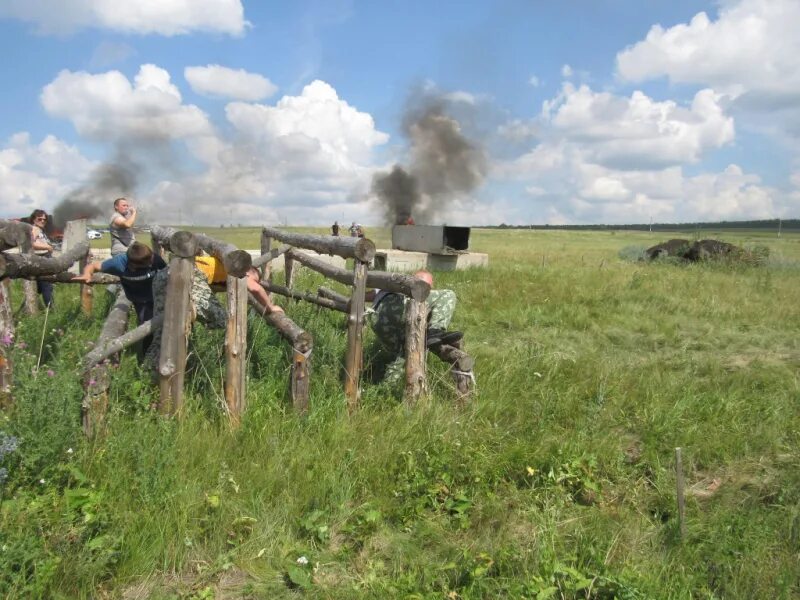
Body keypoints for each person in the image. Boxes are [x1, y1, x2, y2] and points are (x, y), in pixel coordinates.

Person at [143, 254, 283, 369]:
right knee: (223, 320)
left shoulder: (219, 261)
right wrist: (270, 307)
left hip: (164, 275)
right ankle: (193, 309)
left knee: (164, 326)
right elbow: (255, 289)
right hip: (190, 276)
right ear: (248, 272)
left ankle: (149, 366)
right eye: (255, 279)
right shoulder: (239, 269)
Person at [368, 269, 461, 384]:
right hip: (394, 305)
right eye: (426, 287)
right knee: (448, 294)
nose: (427, 291)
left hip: (377, 319)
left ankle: (387, 387)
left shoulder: (389, 285)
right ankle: (434, 331)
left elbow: (370, 295)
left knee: (404, 352)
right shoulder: (403, 288)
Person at [28, 209, 55, 308]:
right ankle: (51, 309)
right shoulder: (34, 229)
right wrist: (47, 247)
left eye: (45, 219)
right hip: (40, 259)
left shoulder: (39, 230)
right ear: (34, 220)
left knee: (40, 287)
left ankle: (31, 307)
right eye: (40, 219)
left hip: (43, 258)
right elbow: (31, 243)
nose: (43, 221)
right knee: (46, 285)